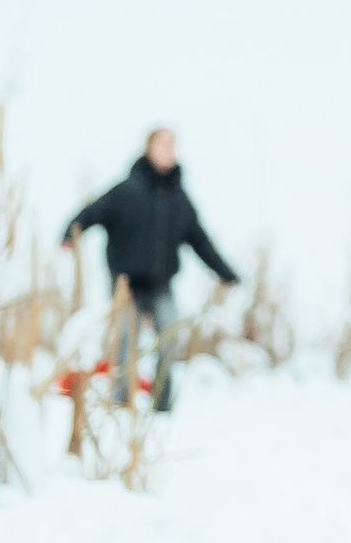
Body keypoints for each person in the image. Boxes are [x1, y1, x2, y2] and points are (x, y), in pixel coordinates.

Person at [60, 127, 239, 414]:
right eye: (163, 144)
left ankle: (161, 405)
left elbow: (200, 241)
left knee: (169, 338)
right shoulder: (126, 191)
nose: (170, 150)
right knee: (125, 343)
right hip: (125, 285)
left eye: (173, 145)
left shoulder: (179, 201)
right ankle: (119, 404)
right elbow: (91, 213)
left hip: (161, 285)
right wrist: (69, 234)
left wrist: (227, 273)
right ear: (149, 149)